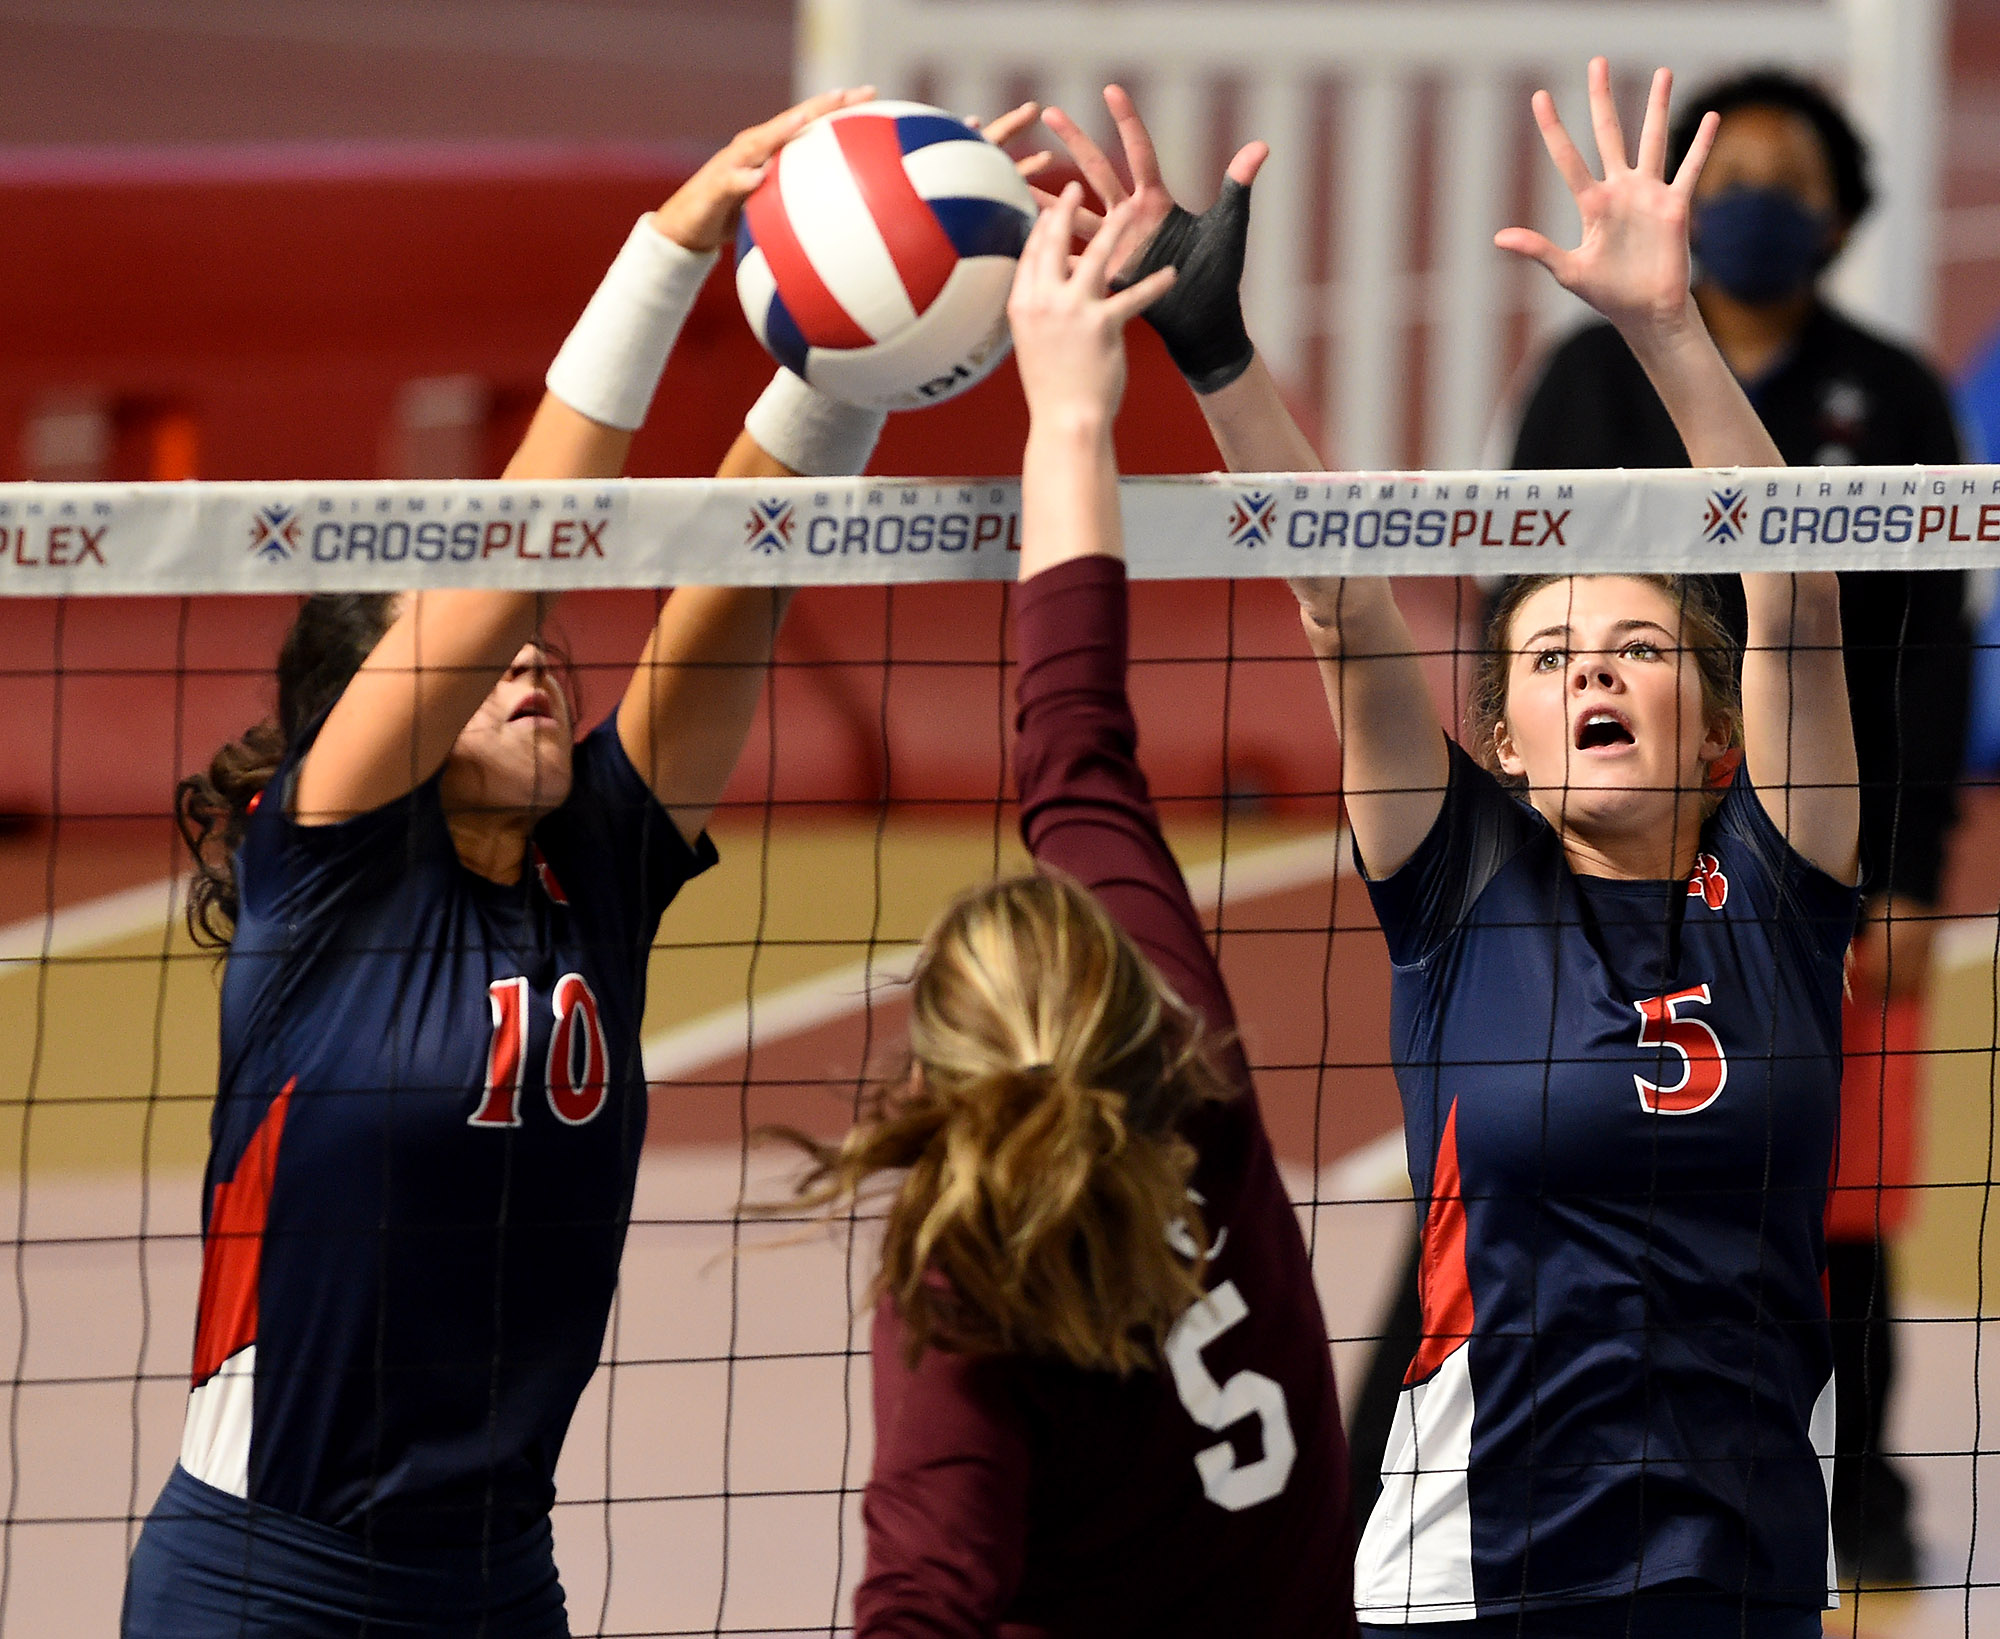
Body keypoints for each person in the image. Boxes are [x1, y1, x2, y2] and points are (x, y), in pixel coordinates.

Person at [1051, 61, 1858, 1635]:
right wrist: (1215, 357)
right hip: (1478, 1576)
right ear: (1501, 742)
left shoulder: (1782, 891)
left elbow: (1797, 593)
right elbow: (1339, 600)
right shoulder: (1462, 889)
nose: (1595, 676)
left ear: (1718, 734)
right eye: (1552, 662)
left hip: (1742, 1573)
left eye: (1637, 648)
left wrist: (1664, 327)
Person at [119, 87, 929, 1639]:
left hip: (497, 1581)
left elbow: (736, 575)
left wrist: (858, 338)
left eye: (558, 648)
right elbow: (510, 559)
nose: (541, 662)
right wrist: (671, 247)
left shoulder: (594, 875)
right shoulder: (336, 872)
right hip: (266, 1581)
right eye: (498, 659)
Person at [781, 187, 1358, 1636]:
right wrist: (1073, 412)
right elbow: (1074, 736)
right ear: (1128, 986)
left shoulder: (962, 1295)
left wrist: (1063, 414)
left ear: (933, 1075)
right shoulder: (1194, 1062)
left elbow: (920, 1603)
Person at [1502, 66, 1965, 1586]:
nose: (1762, 196)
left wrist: (1899, 877)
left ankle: (1869, 1486)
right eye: (1735, 168)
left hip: (1810, 850)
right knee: (1551, 1165)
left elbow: (1923, 652)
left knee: (1843, 1198)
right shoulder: (1582, 377)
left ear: (1840, 210)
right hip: (1618, 841)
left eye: (1794, 172)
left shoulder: (1889, 390)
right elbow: (1525, 607)